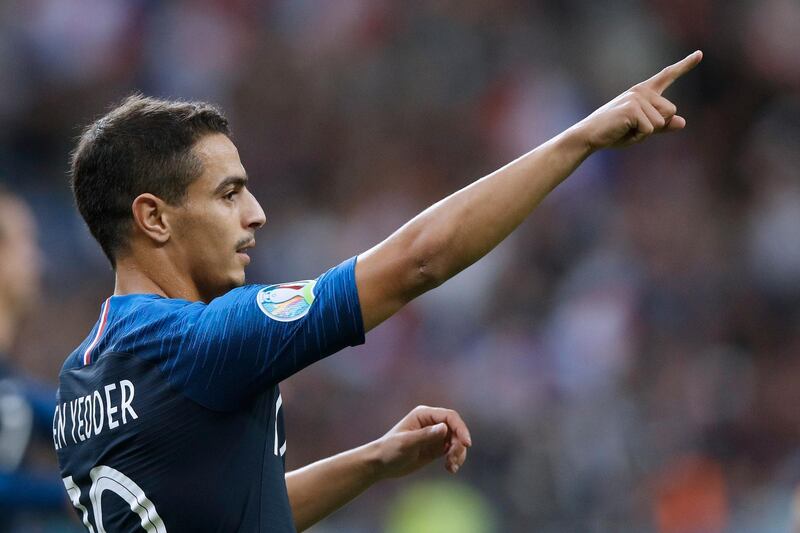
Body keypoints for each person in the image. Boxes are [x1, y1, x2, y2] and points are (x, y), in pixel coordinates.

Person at [55, 50, 702, 531]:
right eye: (228, 193)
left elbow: (229, 515)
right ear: (154, 217)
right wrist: (580, 138)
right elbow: (419, 261)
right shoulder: (199, 340)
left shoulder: (77, 386)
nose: (255, 213)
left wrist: (371, 460)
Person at [0, 190, 66, 529]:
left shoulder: (11, 383)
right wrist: (66, 496)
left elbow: (29, 406)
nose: (38, 260)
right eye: (26, 242)